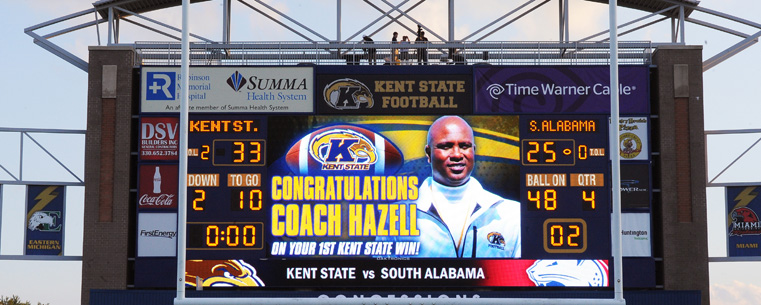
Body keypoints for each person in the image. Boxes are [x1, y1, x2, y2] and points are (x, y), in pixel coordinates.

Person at [381, 116, 521, 258]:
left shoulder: (511, 214)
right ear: (428, 154)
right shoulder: (397, 215)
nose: (457, 154)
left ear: (473, 150)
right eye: (446, 146)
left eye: (464, 146)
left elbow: (526, 276)